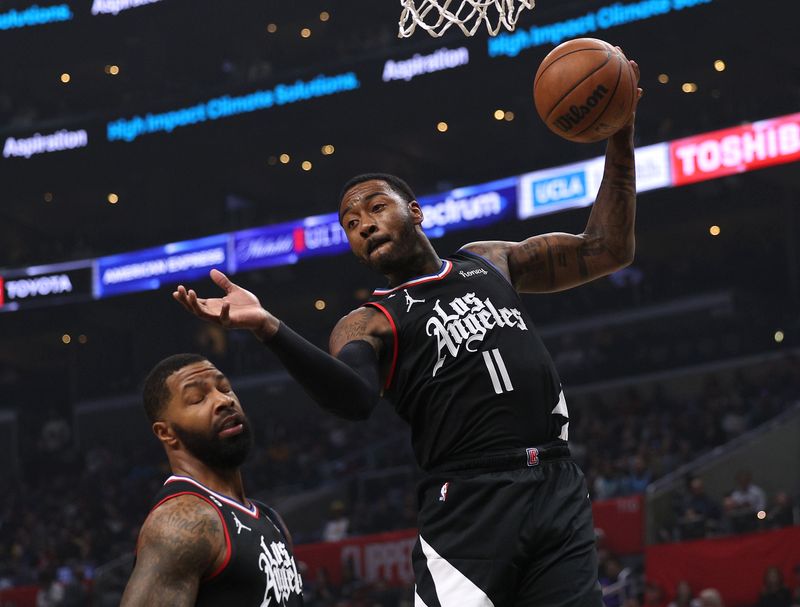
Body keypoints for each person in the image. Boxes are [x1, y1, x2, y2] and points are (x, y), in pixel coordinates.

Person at [174, 54, 641, 607]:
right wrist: (269, 327)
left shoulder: (488, 260)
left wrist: (621, 131)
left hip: (558, 487)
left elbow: (608, 249)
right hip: (470, 505)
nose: (365, 224)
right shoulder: (369, 320)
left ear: (416, 212)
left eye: (375, 208)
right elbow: (352, 399)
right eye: (351, 224)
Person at [120, 354, 303, 606]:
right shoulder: (184, 521)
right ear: (166, 432)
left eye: (225, 387)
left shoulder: (270, 519)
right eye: (197, 398)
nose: (223, 400)